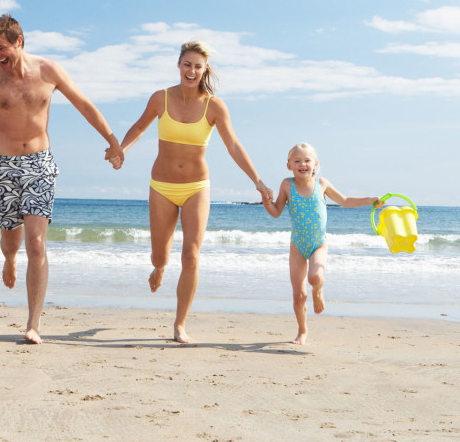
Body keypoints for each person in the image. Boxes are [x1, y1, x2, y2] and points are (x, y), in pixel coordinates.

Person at [0, 14, 123, 344]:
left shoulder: (49, 70)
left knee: (36, 243)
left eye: (1, 48)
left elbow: (83, 104)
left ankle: (33, 323)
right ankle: (9, 258)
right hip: (2, 166)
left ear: (19, 41)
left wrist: (112, 140)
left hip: (40, 163)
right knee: (12, 240)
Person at [120, 41, 270, 344]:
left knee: (191, 255)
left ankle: (179, 324)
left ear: (204, 70)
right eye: (187, 64)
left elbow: (233, 146)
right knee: (159, 255)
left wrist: (258, 181)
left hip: (196, 188)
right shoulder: (160, 98)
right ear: (178, 65)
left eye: (197, 66)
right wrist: (121, 149)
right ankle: (159, 268)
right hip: (161, 187)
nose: (192, 71)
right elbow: (138, 127)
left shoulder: (214, 105)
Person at [262, 142, 380, 345]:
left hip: (319, 244)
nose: (302, 164)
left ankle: (318, 291)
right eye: (297, 160)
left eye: (307, 160)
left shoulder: (322, 183)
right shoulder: (286, 185)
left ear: (315, 163)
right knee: (299, 295)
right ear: (289, 165)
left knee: (315, 277)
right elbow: (275, 212)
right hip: (297, 245)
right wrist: (266, 200)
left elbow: (344, 201)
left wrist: (370, 200)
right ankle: (302, 331)